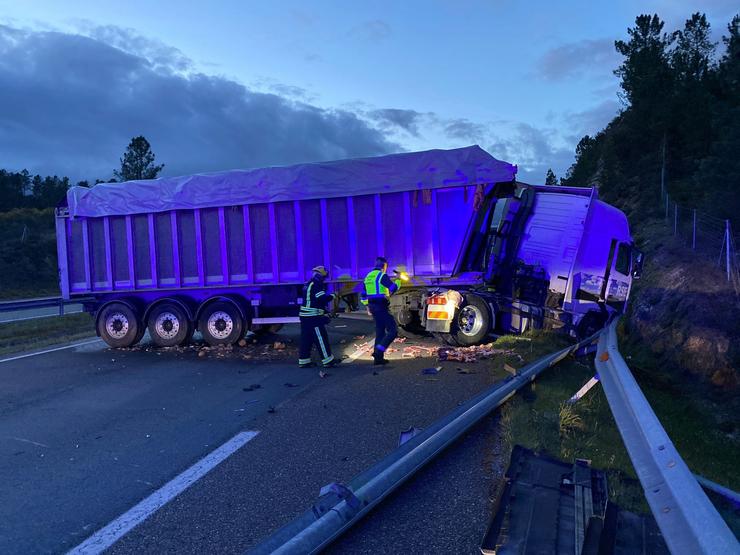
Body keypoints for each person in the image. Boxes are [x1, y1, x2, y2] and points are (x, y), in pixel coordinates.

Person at [362, 257, 402, 365]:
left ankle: (378, 359)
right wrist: (398, 279)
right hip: (381, 306)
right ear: (384, 266)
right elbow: (393, 288)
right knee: (393, 330)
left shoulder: (368, 277)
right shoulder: (381, 275)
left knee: (380, 331)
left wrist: (367, 307)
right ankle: (379, 350)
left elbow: (363, 295)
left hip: (373, 307)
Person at [298, 265, 337, 368]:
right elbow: (321, 298)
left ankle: (304, 361)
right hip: (313, 316)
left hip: (305, 315)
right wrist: (333, 295)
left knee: (306, 338)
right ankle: (328, 360)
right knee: (320, 337)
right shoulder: (317, 283)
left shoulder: (309, 283)